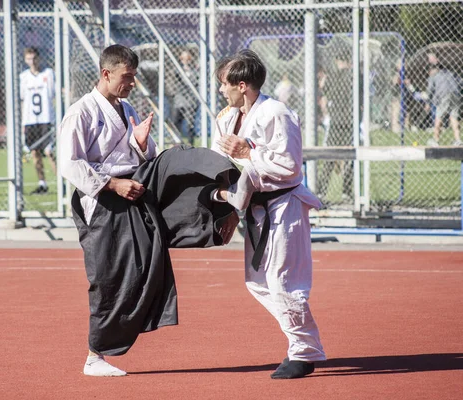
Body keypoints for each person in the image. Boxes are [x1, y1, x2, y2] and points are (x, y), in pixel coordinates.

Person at [59, 44, 239, 377]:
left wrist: (141, 143)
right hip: (105, 201)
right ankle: (95, 355)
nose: (132, 84)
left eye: (134, 77)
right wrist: (113, 185)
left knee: (174, 161)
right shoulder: (81, 112)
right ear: (106, 73)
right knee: (114, 276)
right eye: (127, 77)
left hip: (137, 184)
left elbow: (146, 156)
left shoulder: (126, 109)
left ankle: (222, 196)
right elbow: (69, 163)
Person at [211, 50, 326, 379]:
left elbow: (290, 165)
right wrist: (230, 204)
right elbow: (222, 163)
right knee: (258, 283)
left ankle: (303, 351)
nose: (222, 90)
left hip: (283, 207)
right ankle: (302, 342)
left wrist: (249, 152)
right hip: (254, 210)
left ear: (242, 85)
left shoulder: (276, 112)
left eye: (225, 85)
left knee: (283, 282)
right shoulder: (228, 118)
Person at [19, 47, 57, 194]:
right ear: (25, 60)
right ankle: (42, 184)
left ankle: (63, 184)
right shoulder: (24, 77)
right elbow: (23, 100)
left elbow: (53, 96)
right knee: (35, 152)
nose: (32, 61)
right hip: (30, 121)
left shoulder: (48, 74)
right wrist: (23, 122)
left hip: (46, 119)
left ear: (38, 58)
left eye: (34, 58)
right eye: (29, 58)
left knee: (49, 152)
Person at [318, 51, 354, 202]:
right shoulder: (354, 75)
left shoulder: (334, 76)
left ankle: (321, 190)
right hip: (350, 120)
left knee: (329, 156)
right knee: (349, 156)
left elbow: (323, 91)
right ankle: (346, 191)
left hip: (336, 120)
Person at [425, 54, 462, 147]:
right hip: (456, 94)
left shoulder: (434, 75)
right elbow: (461, 82)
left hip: (444, 95)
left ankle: (436, 139)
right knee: (453, 116)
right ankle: (458, 139)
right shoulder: (451, 73)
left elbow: (429, 90)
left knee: (439, 116)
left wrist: (428, 102)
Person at [171, 49, 198, 145]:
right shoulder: (177, 70)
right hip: (179, 100)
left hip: (190, 101)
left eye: (187, 59)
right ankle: (176, 142)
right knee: (176, 122)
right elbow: (174, 80)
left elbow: (196, 82)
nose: (185, 61)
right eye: (183, 59)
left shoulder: (195, 71)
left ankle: (191, 143)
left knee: (190, 124)